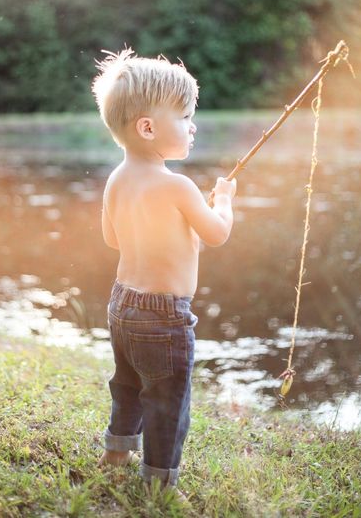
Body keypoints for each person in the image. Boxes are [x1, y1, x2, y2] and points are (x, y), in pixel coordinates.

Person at [91, 48, 236, 496]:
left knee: (128, 383)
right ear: (148, 127)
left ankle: (116, 450)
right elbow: (216, 234)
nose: (193, 125)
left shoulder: (117, 178)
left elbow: (113, 240)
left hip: (122, 305)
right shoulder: (179, 186)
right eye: (185, 116)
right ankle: (159, 482)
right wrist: (225, 202)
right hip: (164, 316)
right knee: (168, 399)